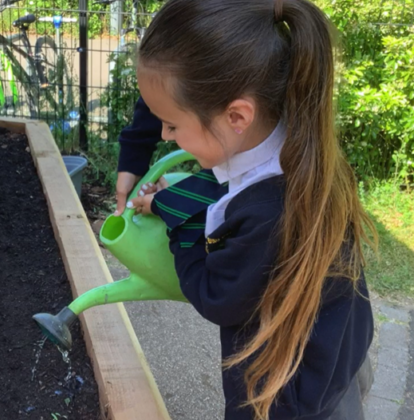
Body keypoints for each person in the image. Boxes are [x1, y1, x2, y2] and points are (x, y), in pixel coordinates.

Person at [116, 0, 377, 419]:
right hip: (337, 359)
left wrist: (179, 225)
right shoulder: (300, 147)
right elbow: (230, 181)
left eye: (172, 124)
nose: (164, 135)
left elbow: (216, 296)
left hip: (281, 398)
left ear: (237, 115)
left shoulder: (268, 215)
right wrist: (171, 199)